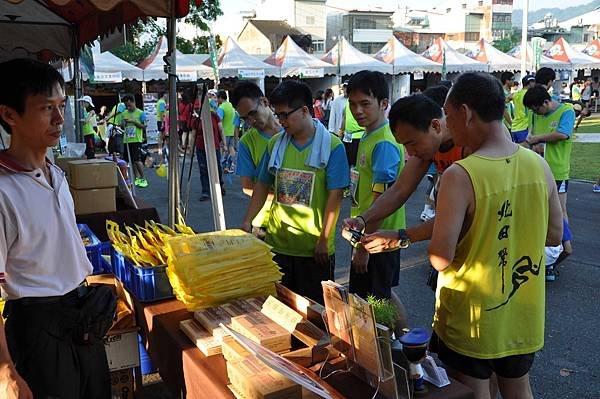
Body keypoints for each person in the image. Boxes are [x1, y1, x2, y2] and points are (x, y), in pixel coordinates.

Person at [428, 72, 563, 399]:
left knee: (474, 391)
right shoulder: (537, 165)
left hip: (472, 316)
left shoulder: (460, 175)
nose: (448, 126)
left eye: (448, 117)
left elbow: (440, 258)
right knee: (519, 390)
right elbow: (555, 235)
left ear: (466, 113)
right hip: (523, 314)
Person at [0, 58, 114, 399]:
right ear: (9, 115)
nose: (60, 119)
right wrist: (5, 369)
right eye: (46, 108)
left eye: (61, 106)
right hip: (37, 328)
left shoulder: (56, 175)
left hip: (80, 317)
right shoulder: (4, 190)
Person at [241, 80, 349, 304]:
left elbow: (335, 196)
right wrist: (247, 221)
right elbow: (261, 185)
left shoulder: (333, 146)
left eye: (284, 115)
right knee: (280, 310)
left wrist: (324, 239)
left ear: (304, 111)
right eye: (277, 115)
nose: (280, 121)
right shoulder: (275, 144)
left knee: (315, 314)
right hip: (278, 245)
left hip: (314, 250)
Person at [343, 71, 408, 330]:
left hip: (378, 239)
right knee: (381, 295)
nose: (357, 110)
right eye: (352, 104)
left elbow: (381, 200)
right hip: (368, 234)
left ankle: (399, 352)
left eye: (365, 104)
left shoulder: (383, 143)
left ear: (383, 104)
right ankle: (408, 345)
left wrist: (362, 247)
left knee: (376, 304)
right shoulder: (369, 135)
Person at [523, 85, 575, 280]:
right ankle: (546, 250)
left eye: (538, 109)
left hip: (557, 170)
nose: (536, 113)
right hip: (536, 168)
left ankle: (559, 251)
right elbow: (530, 135)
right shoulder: (535, 112)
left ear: (546, 102)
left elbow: (563, 134)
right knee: (536, 209)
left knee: (559, 210)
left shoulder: (566, 111)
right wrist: (533, 143)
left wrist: (536, 139)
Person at [231, 81, 283, 238]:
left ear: (265, 102)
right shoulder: (247, 142)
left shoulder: (292, 131)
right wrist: (285, 199)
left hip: (299, 222)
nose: (250, 121)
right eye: (245, 118)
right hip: (263, 222)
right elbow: (247, 187)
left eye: (253, 113)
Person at [191, 99, 226, 200]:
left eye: (198, 108)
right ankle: (206, 191)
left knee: (217, 167)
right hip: (201, 148)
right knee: (203, 169)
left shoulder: (214, 116)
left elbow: (221, 129)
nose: (197, 110)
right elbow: (193, 136)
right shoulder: (196, 121)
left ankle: (219, 185)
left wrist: (224, 143)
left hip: (214, 146)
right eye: (196, 109)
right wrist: (191, 148)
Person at [120, 95, 148, 187]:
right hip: (127, 140)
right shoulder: (124, 113)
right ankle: (136, 179)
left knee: (137, 160)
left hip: (136, 139)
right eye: (126, 106)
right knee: (131, 161)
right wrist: (123, 123)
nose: (128, 107)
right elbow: (121, 126)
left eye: (129, 105)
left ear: (133, 102)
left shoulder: (141, 113)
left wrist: (133, 121)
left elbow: (144, 126)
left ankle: (143, 178)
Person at [217, 90, 239, 173]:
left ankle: (223, 166)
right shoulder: (231, 105)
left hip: (224, 132)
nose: (216, 100)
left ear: (220, 98)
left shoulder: (221, 107)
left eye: (217, 98)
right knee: (231, 148)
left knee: (223, 149)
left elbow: (219, 120)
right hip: (232, 131)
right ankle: (233, 164)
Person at [510, 75, 536, 144]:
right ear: (530, 83)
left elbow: (506, 99)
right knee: (525, 153)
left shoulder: (516, 94)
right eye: (534, 82)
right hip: (524, 127)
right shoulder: (529, 94)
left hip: (514, 127)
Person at [78, 95, 98, 159]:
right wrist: (90, 114)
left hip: (87, 132)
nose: (89, 105)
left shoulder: (82, 110)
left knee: (89, 150)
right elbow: (84, 122)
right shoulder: (82, 110)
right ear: (85, 102)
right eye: (88, 103)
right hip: (87, 133)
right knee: (90, 151)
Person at [156, 91, 168, 158]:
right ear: (164, 95)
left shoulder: (159, 101)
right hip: (161, 120)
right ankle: (160, 149)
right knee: (161, 135)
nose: (167, 96)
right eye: (166, 94)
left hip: (160, 120)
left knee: (162, 134)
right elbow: (161, 112)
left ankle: (162, 148)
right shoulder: (162, 102)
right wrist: (163, 122)